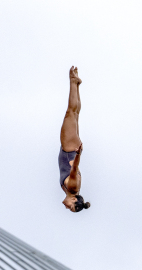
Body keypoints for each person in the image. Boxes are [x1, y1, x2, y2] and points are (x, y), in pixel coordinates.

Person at [59, 66, 90, 213]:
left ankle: (76, 83)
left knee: (75, 114)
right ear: (74, 200)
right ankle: (73, 81)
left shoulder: (74, 189)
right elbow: (74, 169)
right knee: (70, 112)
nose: (66, 207)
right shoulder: (72, 187)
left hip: (73, 148)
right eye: (70, 207)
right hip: (70, 149)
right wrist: (78, 154)